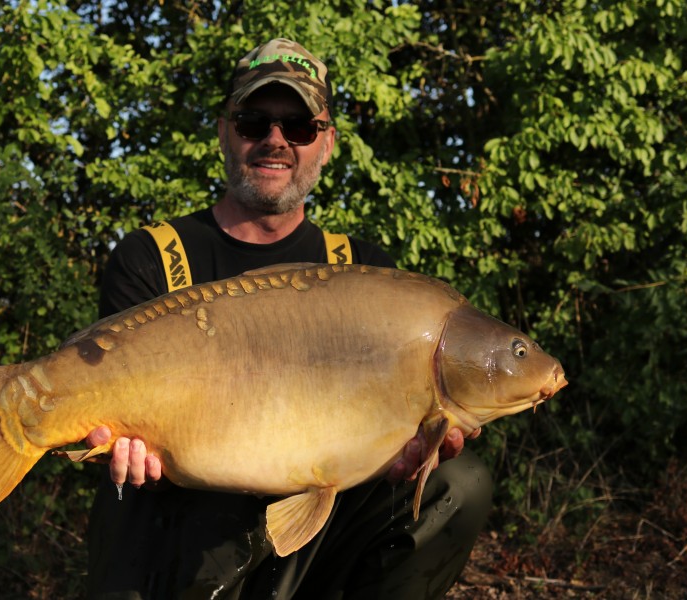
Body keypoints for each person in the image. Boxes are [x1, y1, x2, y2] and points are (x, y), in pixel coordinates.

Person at [84, 39, 492, 599]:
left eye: (298, 126)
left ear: (326, 143)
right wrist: (121, 440)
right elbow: (114, 412)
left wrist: (414, 451)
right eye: (255, 121)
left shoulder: (368, 272)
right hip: (175, 532)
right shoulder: (153, 256)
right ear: (225, 130)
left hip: (311, 544)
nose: (275, 141)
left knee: (459, 482)